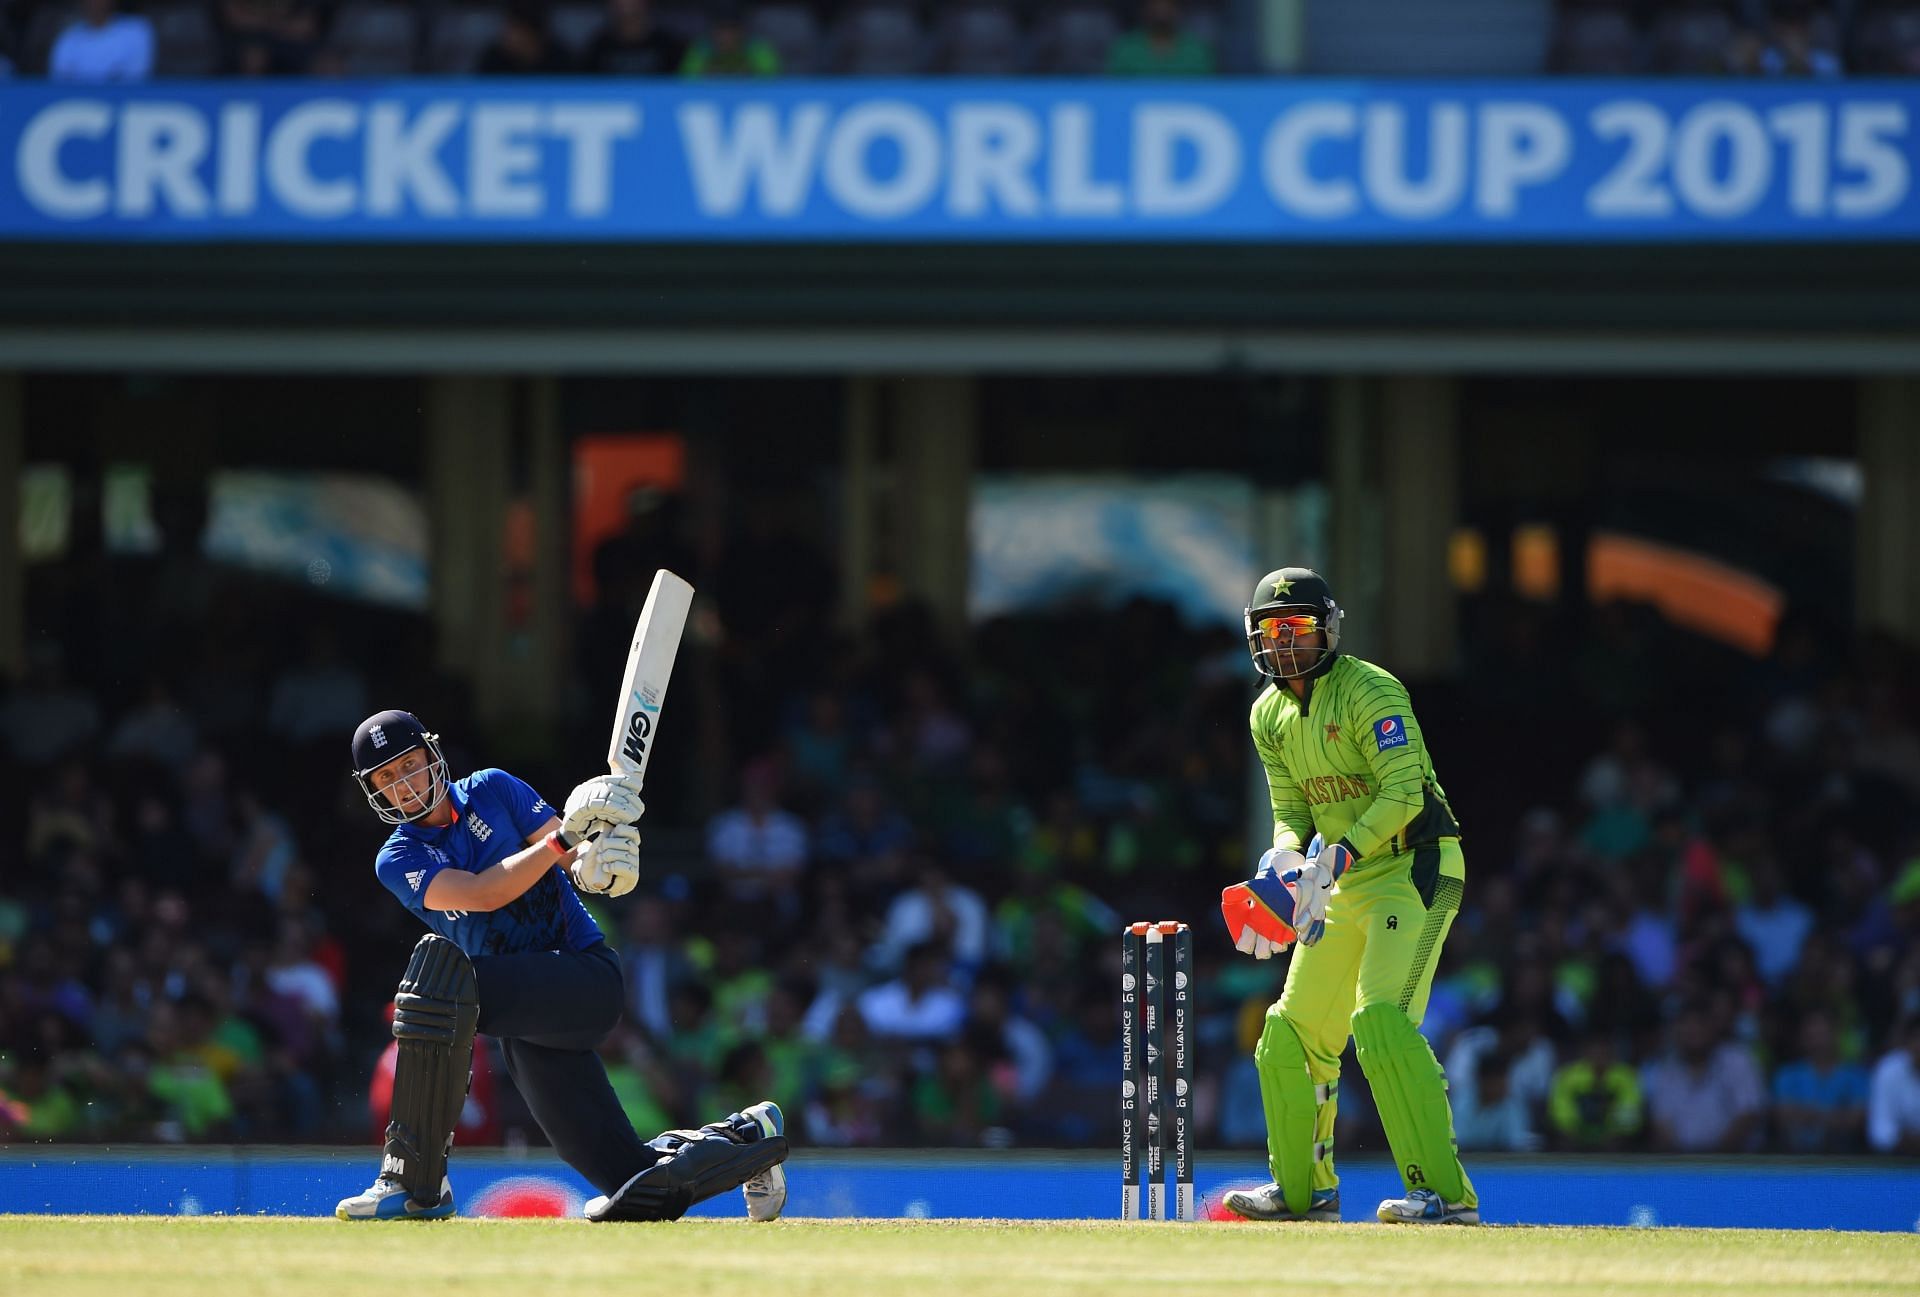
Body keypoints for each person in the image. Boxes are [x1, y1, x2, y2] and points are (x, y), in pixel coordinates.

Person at [333, 709, 789, 1223]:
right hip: (525, 1015)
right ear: (374, 791)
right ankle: (750, 1139)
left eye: (409, 764)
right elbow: (483, 894)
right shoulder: (398, 857)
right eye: (387, 778)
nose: (404, 784)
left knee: (438, 983)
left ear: (432, 757)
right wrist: (563, 844)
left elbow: (577, 859)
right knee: (635, 1184)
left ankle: (414, 1184)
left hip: (582, 978)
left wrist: (602, 864)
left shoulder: (494, 789)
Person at [1218, 568, 1479, 1224]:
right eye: (1271, 631)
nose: (1284, 644)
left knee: (1382, 1021)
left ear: (1327, 628)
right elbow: (1290, 808)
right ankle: (1306, 1192)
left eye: (1298, 628)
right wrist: (1283, 857)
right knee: (1287, 1033)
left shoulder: (1371, 690)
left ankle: (1445, 1196)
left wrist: (1335, 857)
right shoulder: (1267, 713)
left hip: (1415, 865)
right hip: (1342, 879)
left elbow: (1403, 795)